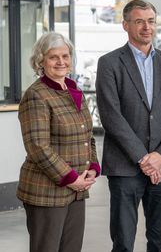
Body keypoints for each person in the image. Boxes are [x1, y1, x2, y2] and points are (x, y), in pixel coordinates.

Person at [96, 0, 161, 252]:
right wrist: (145, 159)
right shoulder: (110, 63)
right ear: (125, 25)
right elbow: (111, 116)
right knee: (123, 241)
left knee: (160, 242)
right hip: (125, 168)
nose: (147, 27)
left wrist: (159, 157)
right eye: (139, 21)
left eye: (151, 21)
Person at [17, 32, 100, 252]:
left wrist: (92, 166)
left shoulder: (73, 90)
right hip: (47, 192)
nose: (61, 62)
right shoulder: (37, 95)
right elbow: (37, 146)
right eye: (54, 57)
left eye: (65, 55)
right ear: (40, 61)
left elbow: (86, 134)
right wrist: (71, 178)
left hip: (77, 190)